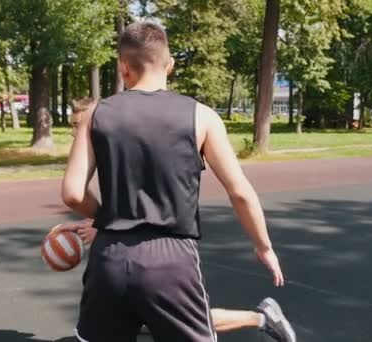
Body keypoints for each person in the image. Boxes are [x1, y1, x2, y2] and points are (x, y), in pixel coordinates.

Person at [59, 21, 296, 342]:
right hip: (171, 261)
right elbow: (239, 192)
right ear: (169, 65)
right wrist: (264, 247)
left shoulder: (95, 115)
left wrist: (105, 217)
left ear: (123, 67)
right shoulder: (202, 116)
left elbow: (73, 194)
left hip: (109, 259)